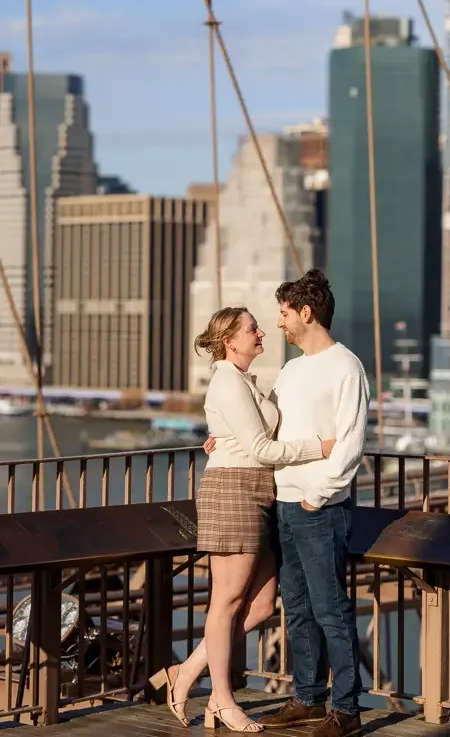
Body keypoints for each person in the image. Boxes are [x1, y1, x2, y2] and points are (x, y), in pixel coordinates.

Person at [149, 305, 335, 733]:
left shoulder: (245, 381)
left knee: (263, 603)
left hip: (257, 492)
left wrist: (221, 441)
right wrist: (320, 448)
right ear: (230, 341)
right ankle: (224, 700)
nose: (262, 333)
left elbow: (251, 438)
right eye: (252, 329)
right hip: (232, 491)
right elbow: (261, 449)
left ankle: (187, 671)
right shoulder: (228, 382)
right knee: (227, 603)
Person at [207, 270, 369, 737]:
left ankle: (347, 708)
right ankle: (307, 697)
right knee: (295, 606)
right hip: (283, 502)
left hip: (319, 507)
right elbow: (264, 428)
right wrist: (220, 439)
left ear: (306, 312)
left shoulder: (346, 367)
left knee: (330, 608)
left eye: (281, 313)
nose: (277, 323)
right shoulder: (291, 370)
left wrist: (318, 496)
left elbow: (351, 443)